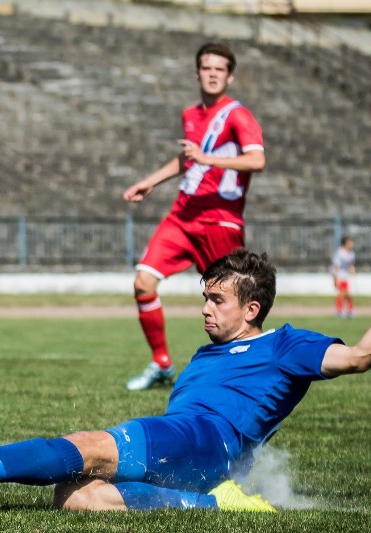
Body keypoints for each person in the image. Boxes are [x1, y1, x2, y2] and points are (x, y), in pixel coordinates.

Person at [0, 249, 371, 513]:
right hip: (193, 452)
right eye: (205, 297)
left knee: (92, 446)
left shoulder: (285, 345)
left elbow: (362, 355)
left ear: (252, 309)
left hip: (207, 439)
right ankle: (216, 504)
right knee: (75, 497)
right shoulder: (210, 350)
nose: (205, 309)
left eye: (217, 301)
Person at [122, 43, 266, 390]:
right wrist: (150, 181)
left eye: (219, 69)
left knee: (234, 300)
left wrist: (207, 158)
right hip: (183, 216)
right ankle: (161, 364)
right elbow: (188, 158)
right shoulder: (191, 114)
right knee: (143, 282)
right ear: (197, 72)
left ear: (229, 76)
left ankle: (249, 366)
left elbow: (256, 160)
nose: (212, 73)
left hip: (221, 221)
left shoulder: (237, 115)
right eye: (206, 67)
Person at [331, 235, 356, 318]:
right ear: (346, 243)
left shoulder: (351, 254)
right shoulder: (340, 253)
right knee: (343, 294)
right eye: (350, 242)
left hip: (346, 276)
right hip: (340, 276)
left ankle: (348, 310)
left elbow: (350, 265)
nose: (352, 243)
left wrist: (352, 269)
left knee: (346, 294)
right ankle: (342, 311)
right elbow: (336, 266)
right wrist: (336, 278)